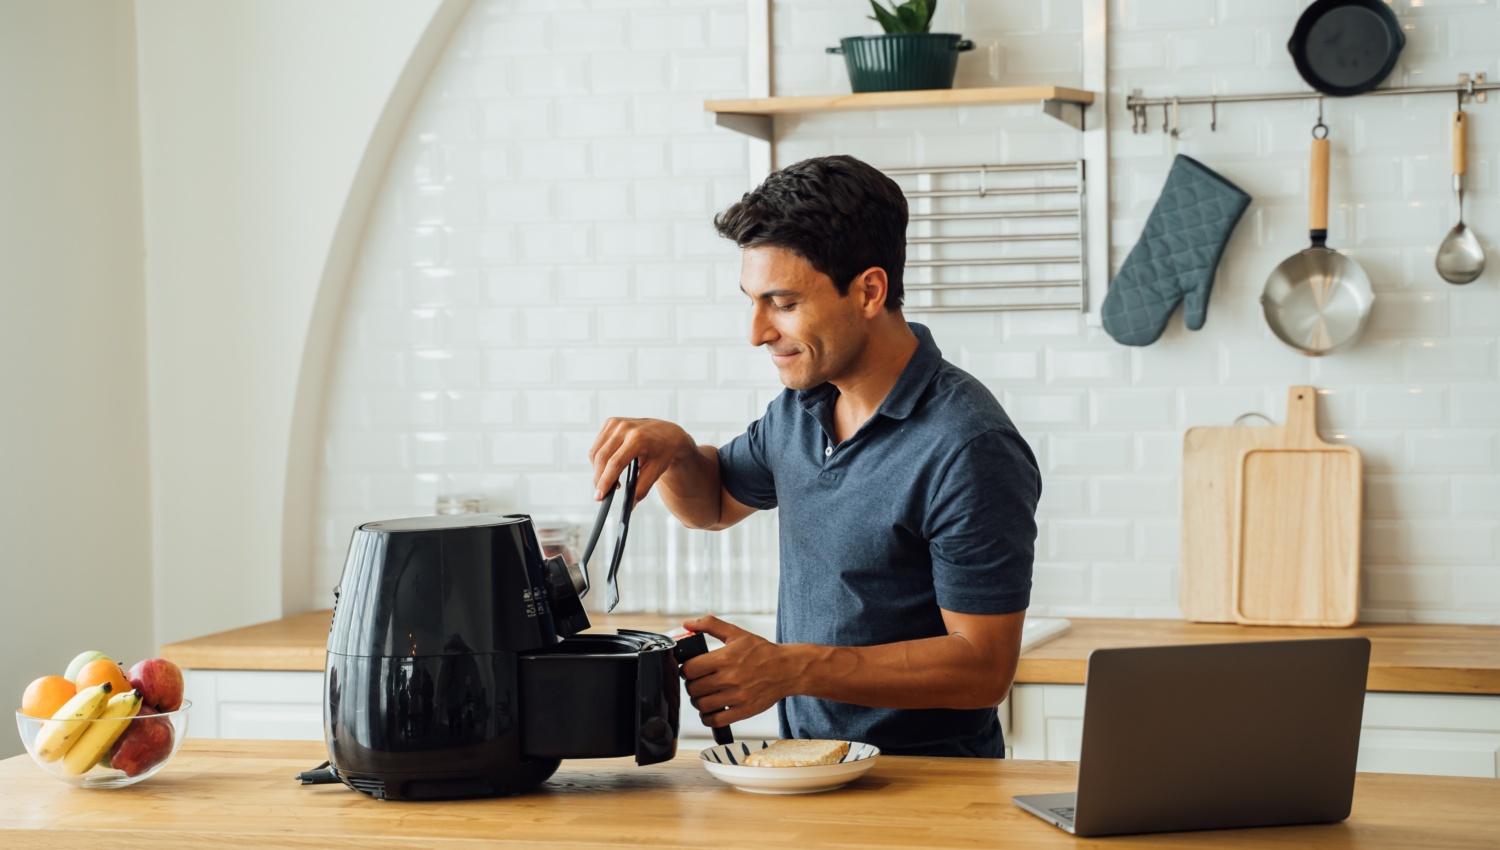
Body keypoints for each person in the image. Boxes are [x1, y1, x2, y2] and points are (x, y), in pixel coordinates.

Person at [588, 154, 1040, 758]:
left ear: (869, 291)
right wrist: (675, 452)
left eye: (783, 302)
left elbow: (982, 668)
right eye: (752, 300)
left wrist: (793, 668)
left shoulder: (968, 446)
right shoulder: (801, 408)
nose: (757, 332)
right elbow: (714, 505)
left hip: (927, 786)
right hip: (811, 771)